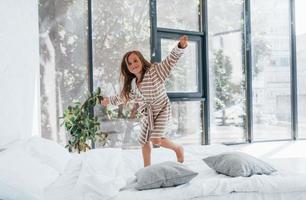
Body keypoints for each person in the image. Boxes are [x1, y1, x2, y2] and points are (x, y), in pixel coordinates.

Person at [101, 35, 188, 167]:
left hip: (162, 108)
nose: (133, 65)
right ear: (127, 68)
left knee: (156, 139)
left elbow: (170, 61)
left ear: (141, 60)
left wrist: (180, 47)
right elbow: (122, 98)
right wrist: (109, 101)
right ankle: (147, 167)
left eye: (135, 61)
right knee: (144, 141)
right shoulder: (133, 85)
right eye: (129, 64)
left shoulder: (155, 71)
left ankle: (177, 148)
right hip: (148, 114)